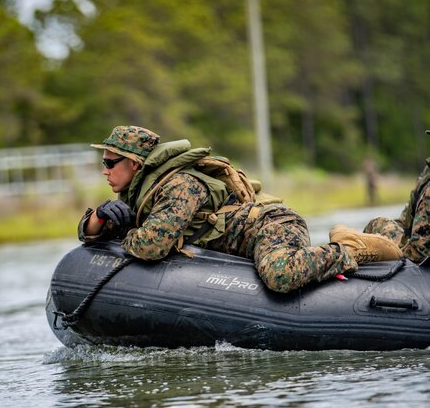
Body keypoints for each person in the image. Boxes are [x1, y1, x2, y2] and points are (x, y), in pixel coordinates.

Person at [78, 125, 403, 294]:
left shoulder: (180, 184)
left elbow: (152, 245)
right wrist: (99, 219)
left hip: (271, 226)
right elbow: (92, 236)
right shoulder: (136, 197)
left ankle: (349, 247)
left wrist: (127, 234)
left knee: (280, 276)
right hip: (239, 243)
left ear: (134, 164)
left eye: (109, 162)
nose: (104, 170)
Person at [362, 153, 429, 264]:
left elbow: (419, 253)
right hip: (413, 241)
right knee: (378, 224)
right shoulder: (426, 172)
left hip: (417, 254)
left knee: (376, 224)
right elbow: (405, 219)